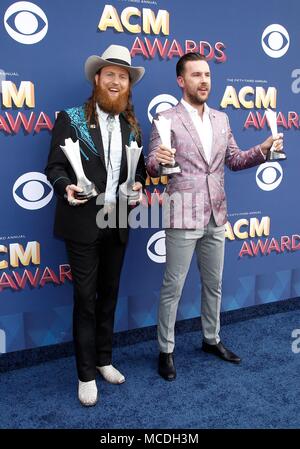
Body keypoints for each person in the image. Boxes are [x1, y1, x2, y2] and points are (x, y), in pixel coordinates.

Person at [146, 52, 283, 381]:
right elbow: (152, 165)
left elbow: (234, 160)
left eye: (207, 74)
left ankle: (211, 339)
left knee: (214, 284)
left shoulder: (222, 119)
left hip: (216, 215)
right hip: (182, 215)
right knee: (173, 288)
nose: (204, 80)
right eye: (196, 75)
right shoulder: (165, 118)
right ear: (181, 81)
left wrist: (263, 149)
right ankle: (165, 350)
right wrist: (157, 159)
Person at [45, 45, 146, 405]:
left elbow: (141, 172)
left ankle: (104, 359)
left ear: (128, 85)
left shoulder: (131, 125)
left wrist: (139, 187)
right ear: (96, 79)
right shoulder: (71, 118)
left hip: (118, 220)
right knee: (86, 299)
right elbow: (54, 168)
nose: (117, 81)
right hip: (83, 221)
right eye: (110, 74)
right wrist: (65, 187)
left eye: (124, 76)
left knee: (109, 296)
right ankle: (85, 374)